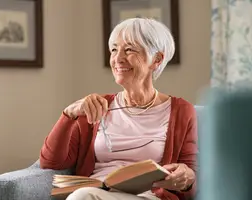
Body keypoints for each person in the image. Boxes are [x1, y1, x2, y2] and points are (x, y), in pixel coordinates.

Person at [40, 18, 198, 200]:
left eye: (129, 50)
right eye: (114, 49)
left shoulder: (181, 111)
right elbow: (51, 162)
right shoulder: (97, 106)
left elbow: (192, 180)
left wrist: (187, 178)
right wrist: (68, 115)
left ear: (157, 59)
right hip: (97, 191)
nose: (117, 59)